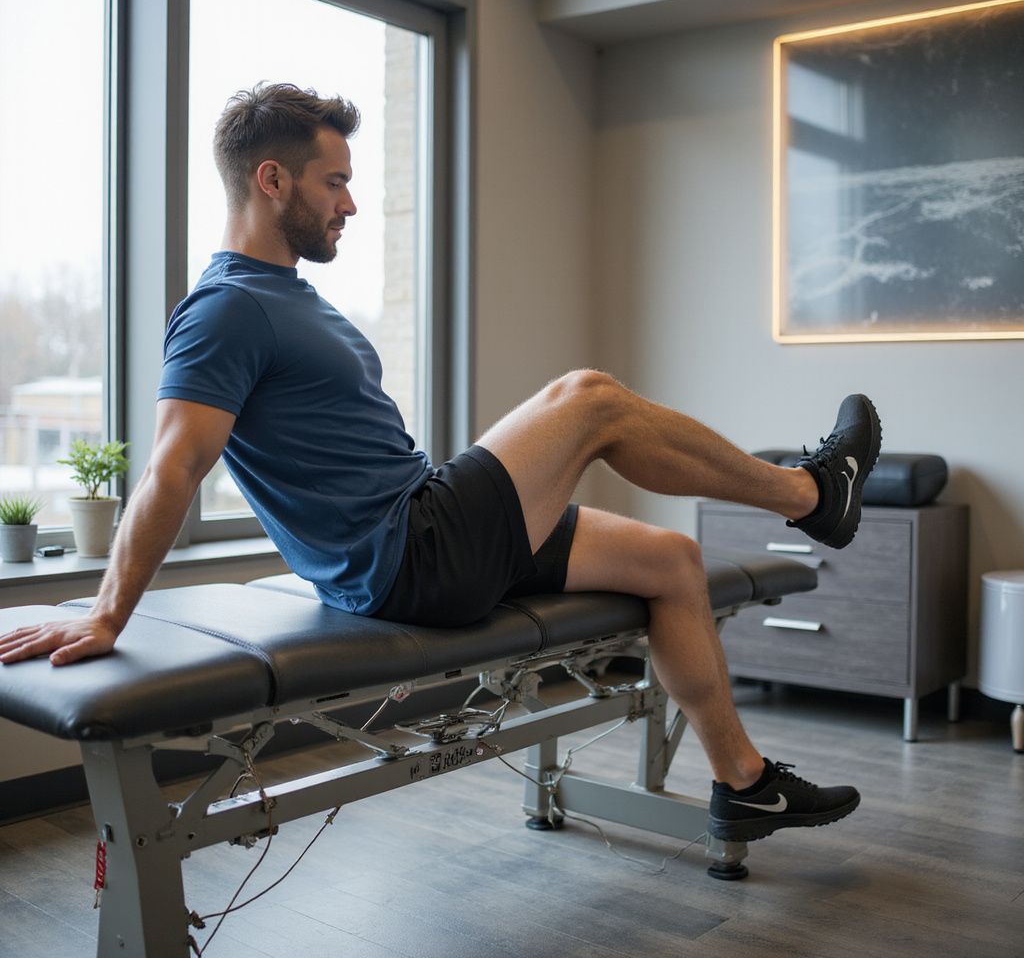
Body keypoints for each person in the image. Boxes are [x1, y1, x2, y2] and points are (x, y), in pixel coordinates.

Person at [0, 83, 881, 844]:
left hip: (426, 525)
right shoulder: (223, 311)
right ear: (271, 181)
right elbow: (172, 469)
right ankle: (809, 494)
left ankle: (742, 783)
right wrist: (110, 613)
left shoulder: (292, 301)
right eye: (334, 181)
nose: (349, 203)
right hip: (413, 556)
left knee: (672, 563)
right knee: (590, 398)